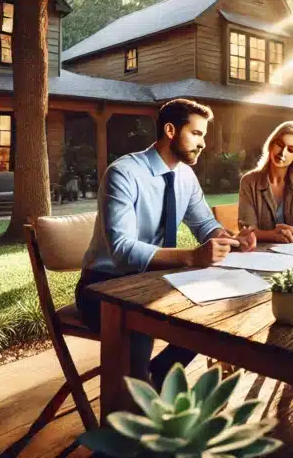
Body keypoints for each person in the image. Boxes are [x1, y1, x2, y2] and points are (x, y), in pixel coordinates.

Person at [75, 98, 256, 389]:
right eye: (196, 134)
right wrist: (191, 258)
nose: (203, 144)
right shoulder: (124, 174)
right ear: (170, 130)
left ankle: (158, 375)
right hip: (104, 287)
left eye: (204, 136)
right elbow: (122, 251)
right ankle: (132, 406)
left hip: (154, 281)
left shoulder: (185, 176)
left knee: (214, 309)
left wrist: (228, 238)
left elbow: (204, 225)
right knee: (141, 325)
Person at [238, 121, 293, 243]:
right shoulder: (249, 181)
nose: (283, 153)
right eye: (280, 144)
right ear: (271, 144)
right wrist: (272, 236)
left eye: (291, 149)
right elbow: (247, 230)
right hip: (260, 254)